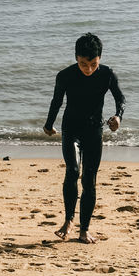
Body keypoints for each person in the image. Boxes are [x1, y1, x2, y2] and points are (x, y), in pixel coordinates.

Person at [43, 32, 125, 243]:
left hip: (94, 131)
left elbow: (121, 99)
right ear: (76, 58)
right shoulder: (65, 75)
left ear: (100, 59)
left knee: (90, 181)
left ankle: (84, 230)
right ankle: (69, 220)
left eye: (93, 64)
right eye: (83, 64)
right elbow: (56, 102)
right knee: (72, 171)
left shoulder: (107, 74)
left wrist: (118, 116)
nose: (88, 69)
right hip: (71, 129)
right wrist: (48, 124)